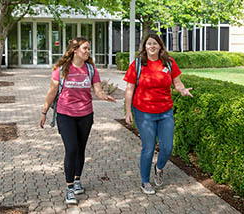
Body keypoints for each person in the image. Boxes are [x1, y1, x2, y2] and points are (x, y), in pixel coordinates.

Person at [39, 37, 116, 205]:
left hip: (86, 115)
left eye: (89, 49)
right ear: (75, 50)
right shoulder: (61, 69)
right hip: (65, 114)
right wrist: (44, 111)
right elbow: (52, 92)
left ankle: (78, 180)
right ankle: (69, 188)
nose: (88, 52)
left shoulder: (91, 69)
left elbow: (97, 91)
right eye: (85, 49)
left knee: (81, 149)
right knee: (71, 149)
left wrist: (104, 96)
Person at [123, 34, 193, 194]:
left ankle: (159, 168)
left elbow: (177, 82)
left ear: (160, 46)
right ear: (144, 47)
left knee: (167, 147)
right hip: (143, 112)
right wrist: (128, 111)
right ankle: (145, 181)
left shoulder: (168, 62)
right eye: (149, 44)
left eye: (155, 43)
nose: (152, 46)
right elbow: (129, 89)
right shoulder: (138, 64)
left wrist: (182, 90)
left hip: (165, 111)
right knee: (148, 147)